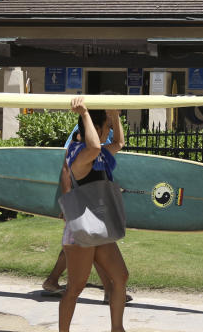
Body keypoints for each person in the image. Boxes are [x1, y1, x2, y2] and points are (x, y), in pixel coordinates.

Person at [59, 96, 129, 332]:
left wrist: (115, 116)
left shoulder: (97, 154)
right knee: (75, 288)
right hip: (81, 231)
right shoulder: (80, 154)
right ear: (94, 129)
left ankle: (117, 328)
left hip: (98, 228)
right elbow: (95, 146)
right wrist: (85, 113)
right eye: (105, 128)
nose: (108, 132)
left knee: (120, 277)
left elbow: (118, 143)